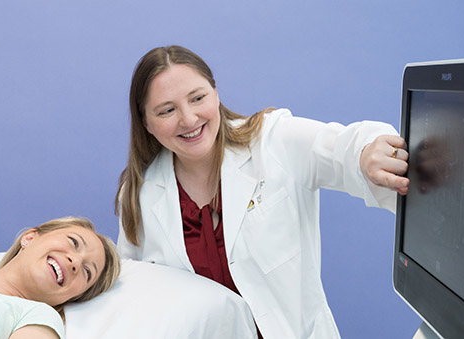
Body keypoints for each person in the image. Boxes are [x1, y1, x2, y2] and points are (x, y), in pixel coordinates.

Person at [114, 45, 408, 339]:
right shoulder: (139, 192)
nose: (189, 119)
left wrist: (368, 151)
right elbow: (132, 296)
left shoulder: (271, 140)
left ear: (216, 93)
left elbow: (344, 146)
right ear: (146, 122)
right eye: (167, 110)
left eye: (198, 98)